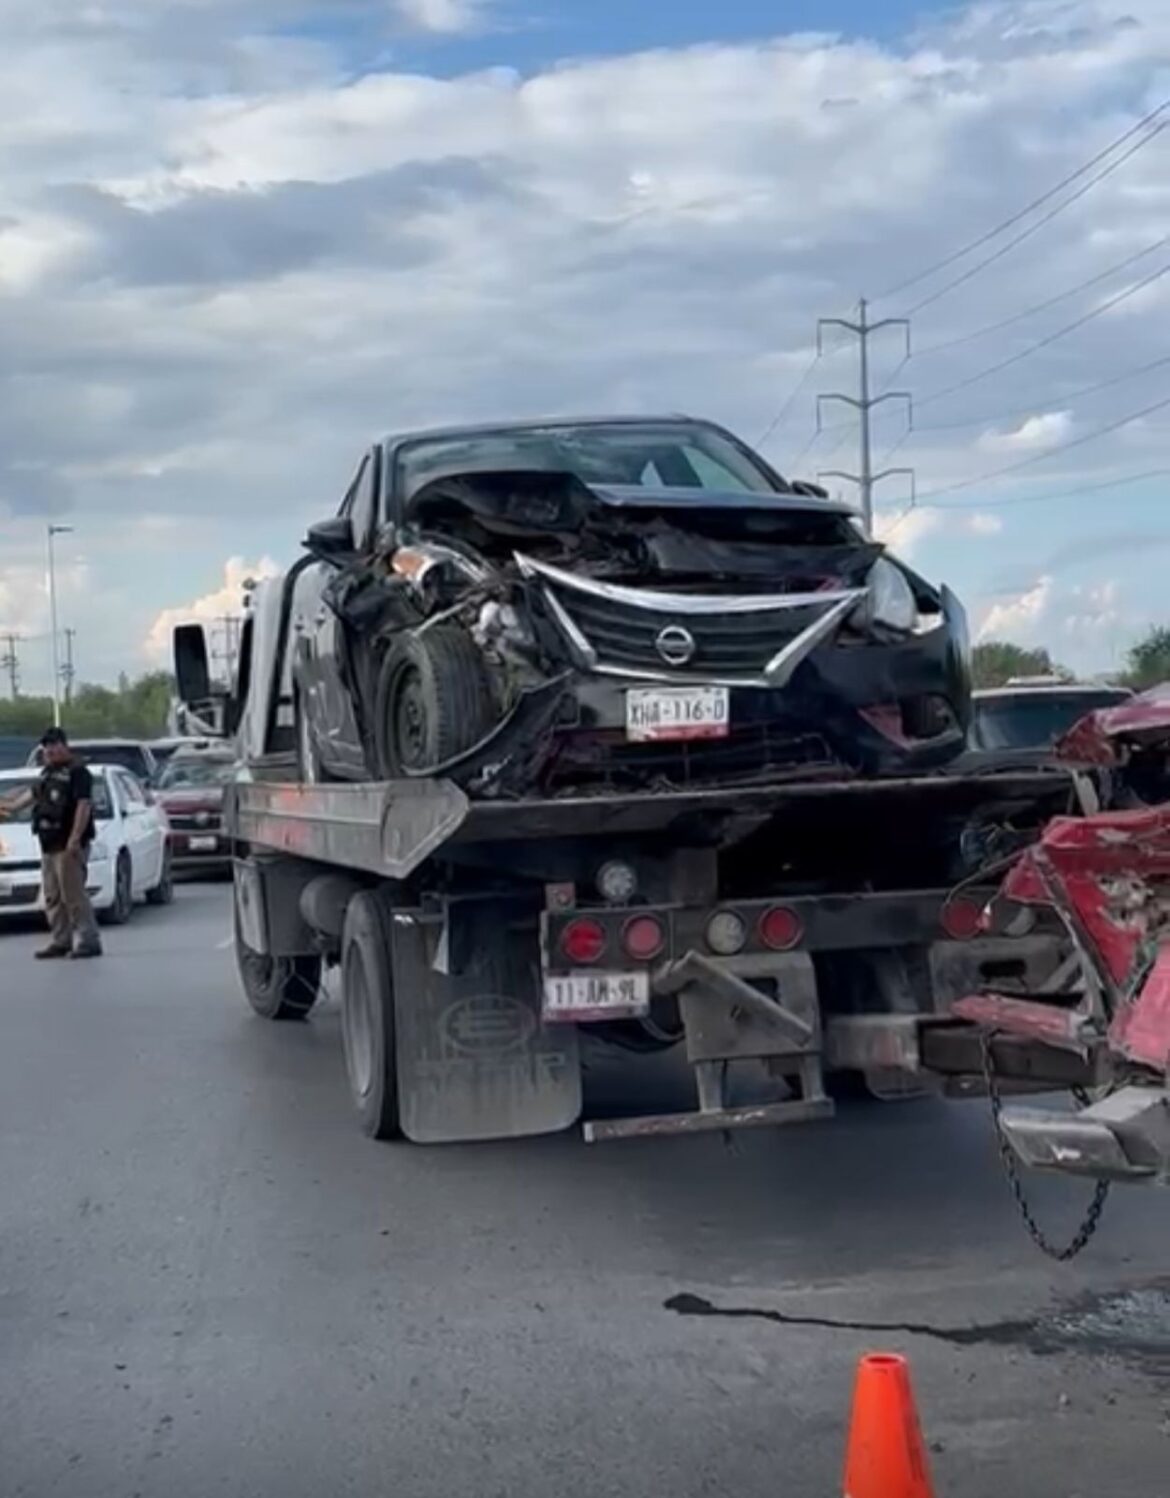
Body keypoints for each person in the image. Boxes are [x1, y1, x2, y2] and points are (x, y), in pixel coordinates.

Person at [0, 726, 102, 959]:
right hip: (49, 844)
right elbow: (27, 799)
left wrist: (75, 839)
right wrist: (6, 807)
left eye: (54, 745)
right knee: (53, 896)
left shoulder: (78, 772)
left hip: (68, 843)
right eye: (47, 747)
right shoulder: (47, 773)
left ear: (65, 746)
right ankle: (61, 940)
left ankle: (88, 940)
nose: (50, 750)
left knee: (73, 895)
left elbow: (83, 806)